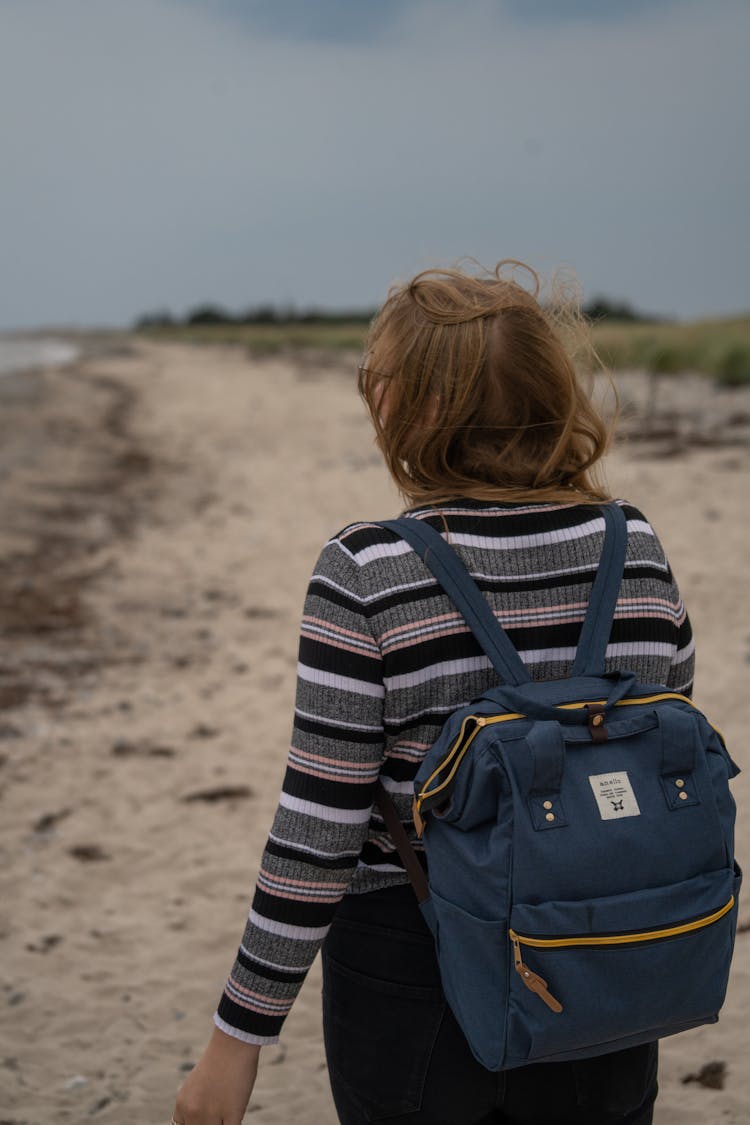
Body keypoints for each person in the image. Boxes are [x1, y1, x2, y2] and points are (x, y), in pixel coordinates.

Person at [170, 260, 693, 1125]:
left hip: (416, 972)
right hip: (606, 954)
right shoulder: (632, 545)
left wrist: (238, 1037)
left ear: (407, 407)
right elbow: (657, 734)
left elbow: (320, 828)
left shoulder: (368, 570)